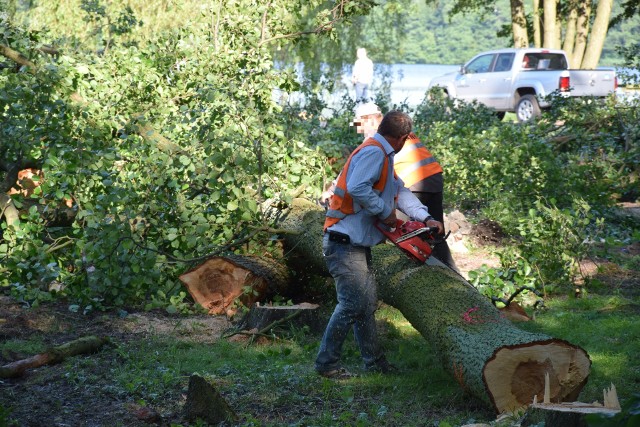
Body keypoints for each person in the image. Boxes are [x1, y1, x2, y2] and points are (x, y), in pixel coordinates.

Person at [316, 110, 444, 379]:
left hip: (355, 243)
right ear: (402, 138)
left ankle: (374, 362)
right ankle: (326, 363)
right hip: (343, 242)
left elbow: (400, 192)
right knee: (352, 303)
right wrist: (384, 212)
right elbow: (357, 187)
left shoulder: (383, 155)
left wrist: (426, 217)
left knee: (366, 303)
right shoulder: (374, 152)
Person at [321, 102, 458, 271]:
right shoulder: (384, 142)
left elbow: (390, 187)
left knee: (408, 236)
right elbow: (357, 180)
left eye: (358, 123)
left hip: (413, 181)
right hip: (433, 179)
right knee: (417, 237)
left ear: (369, 120)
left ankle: (420, 274)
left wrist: (424, 218)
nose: (357, 128)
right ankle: (443, 272)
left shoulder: (378, 144)